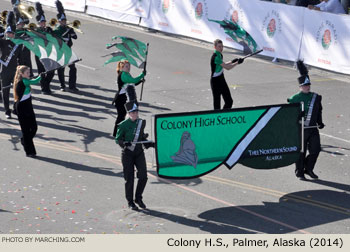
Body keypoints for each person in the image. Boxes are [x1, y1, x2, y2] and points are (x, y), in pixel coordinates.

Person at [288, 61, 324, 180]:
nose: (307, 87)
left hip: (313, 128)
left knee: (316, 150)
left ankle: (308, 168)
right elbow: (288, 113)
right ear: (300, 87)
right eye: (304, 85)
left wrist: (320, 122)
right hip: (301, 128)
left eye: (308, 85)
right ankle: (300, 172)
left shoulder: (316, 97)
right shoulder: (294, 98)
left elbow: (319, 111)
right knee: (301, 152)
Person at [115, 101, 154, 210]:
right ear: (128, 113)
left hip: (139, 153)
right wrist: (124, 143)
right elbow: (118, 139)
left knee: (143, 177)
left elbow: (141, 137)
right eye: (133, 112)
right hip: (127, 154)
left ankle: (138, 198)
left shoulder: (141, 123)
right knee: (129, 179)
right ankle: (130, 201)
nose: (135, 114)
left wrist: (149, 143)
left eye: (136, 112)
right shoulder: (123, 125)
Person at [13, 65, 42, 157]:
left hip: (28, 107)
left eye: (29, 72)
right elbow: (36, 81)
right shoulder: (24, 81)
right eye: (27, 73)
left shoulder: (25, 81)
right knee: (26, 130)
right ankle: (29, 151)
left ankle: (24, 140)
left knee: (34, 127)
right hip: (21, 108)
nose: (29, 74)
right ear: (21, 74)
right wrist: (41, 75)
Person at [112, 60, 146, 137]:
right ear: (121, 67)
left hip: (126, 98)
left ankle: (127, 133)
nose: (128, 68)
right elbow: (132, 80)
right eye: (126, 66)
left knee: (130, 115)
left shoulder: (126, 74)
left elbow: (132, 83)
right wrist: (141, 75)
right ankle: (116, 133)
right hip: (121, 99)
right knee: (121, 116)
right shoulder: (123, 75)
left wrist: (140, 81)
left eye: (129, 66)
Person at [210, 39, 244, 110]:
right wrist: (237, 63)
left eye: (222, 46)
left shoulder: (219, 55)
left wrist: (232, 61)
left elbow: (223, 64)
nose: (221, 48)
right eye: (219, 46)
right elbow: (227, 68)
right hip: (215, 81)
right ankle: (218, 118)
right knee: (217, 105)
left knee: (229, 101)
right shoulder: (216, 57)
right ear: (215, 47)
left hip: (221, 79)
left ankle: (223, 115)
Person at [53, 0, 78, 92]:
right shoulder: (56, 30)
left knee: (73, 68)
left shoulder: (68, 29)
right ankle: (62, 85)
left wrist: (72, 32)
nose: (64, 22)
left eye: (65, 20)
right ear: (59, 21)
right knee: (61, 69)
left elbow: (75, 37)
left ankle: (72, 85)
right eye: (62, 20)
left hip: (69, 51)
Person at [0, 11, 20, 119]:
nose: (10, 35)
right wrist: (3, 34)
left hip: (15, 71)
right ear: (6, 33)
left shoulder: (18, 44)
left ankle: (15, 108)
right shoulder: (2, 42)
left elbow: (22, 59)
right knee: (5, 92)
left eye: (12, 33)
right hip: (4, 71)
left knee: (18, 91)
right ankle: (7, 111)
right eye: (8, 33)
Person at [34, 2, 54, 95]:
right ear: (38, 23)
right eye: (41, 22)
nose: (43, 23)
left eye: (44, 22)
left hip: (49, 53)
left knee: (51, 71)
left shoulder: (49, 29)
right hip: (39, 53)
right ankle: (44, 88)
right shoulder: (35, 31)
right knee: (41, 71)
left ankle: (46, 85)